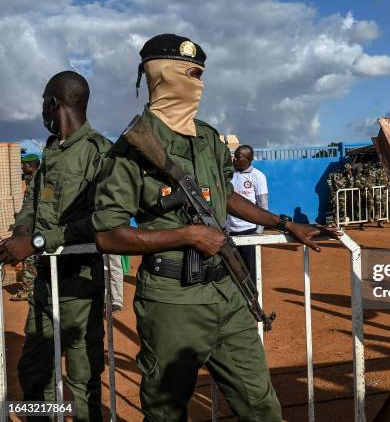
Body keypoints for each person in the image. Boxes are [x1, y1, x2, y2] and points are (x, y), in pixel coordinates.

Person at [92, 34, 329, 422]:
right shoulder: (130, 149)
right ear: (162, 75)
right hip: (172, 301)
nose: (198, 84)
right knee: (167, 412)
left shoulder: (208, 138)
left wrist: (285, 223)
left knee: (261, 405)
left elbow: (227, 197)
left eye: (201, 75)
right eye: (191, 74)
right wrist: (186, 235)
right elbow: (107, 235)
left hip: (227, 292)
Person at [0, 70, 112, 421]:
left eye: (43, 104)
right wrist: (21, 231)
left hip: (80, 288)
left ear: (53, 103)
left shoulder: (101, 153)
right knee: (34, 374)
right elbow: (32, 205)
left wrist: (37, 241)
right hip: (44, 287)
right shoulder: (50, 152)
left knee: (82, 382)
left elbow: (103, 219)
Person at [226, 144, 268, 278]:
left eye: (237, 157)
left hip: (249, 232)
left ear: (248, 159)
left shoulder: (258, 176)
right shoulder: (229, 175)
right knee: (233, 272)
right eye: (234, 157)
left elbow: (262, 205)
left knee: (251, 272)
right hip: (230, 232)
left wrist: (259, 231)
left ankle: (253, 298)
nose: (234, 160)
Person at [10, 153, 41, 301]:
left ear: (30, 165)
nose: (22, 167)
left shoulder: (37, 180)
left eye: (23, 164)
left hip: (35, 228)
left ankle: (28, 290)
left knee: (28, 257)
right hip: (34, 225)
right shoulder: (35, 179)